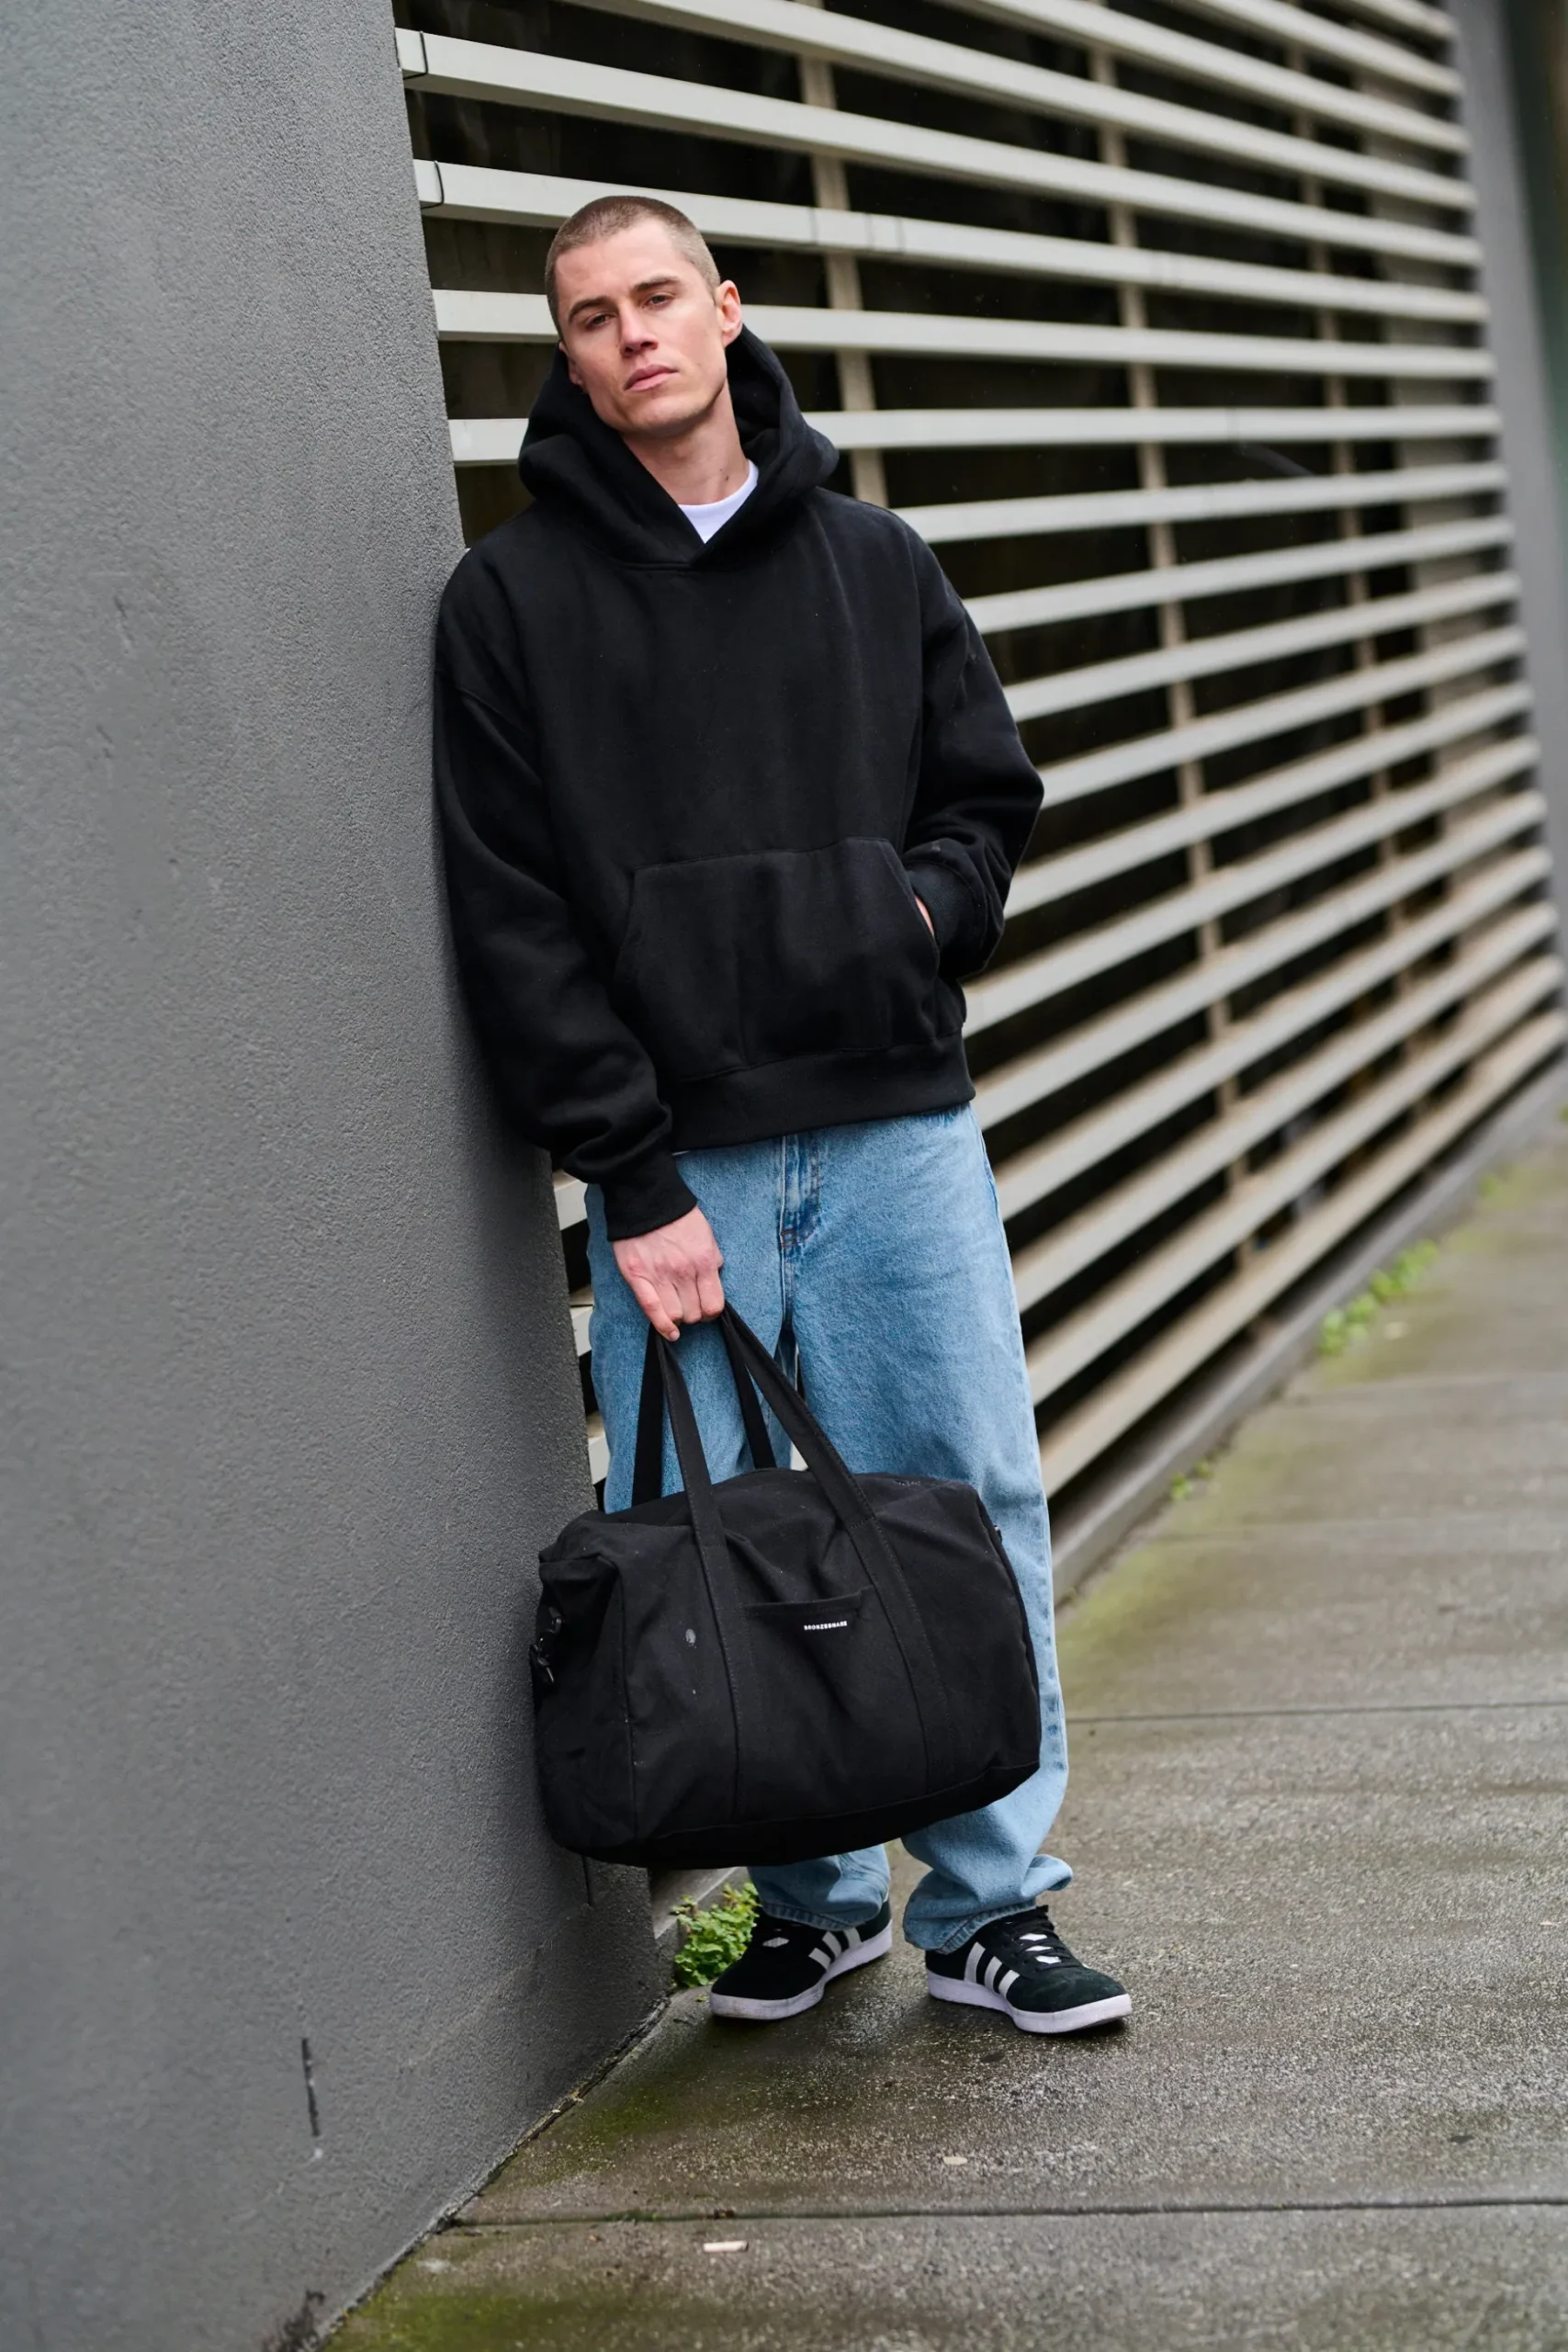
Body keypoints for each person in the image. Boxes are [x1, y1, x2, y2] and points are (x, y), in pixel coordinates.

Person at [434, 194, 1130, 2038]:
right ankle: (811, 1903)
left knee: (963, 1501)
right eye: (592, 316)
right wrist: (630, 1171)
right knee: (723, 1532)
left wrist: (910, 917)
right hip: (682, 1170)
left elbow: (984, 799)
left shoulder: (875, 561)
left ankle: (991, 1902)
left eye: (659, 296)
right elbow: (513, 918)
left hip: (895, 1127)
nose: (633, 335)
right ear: (567, 355)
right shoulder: (509, 604)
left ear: (725, 310)